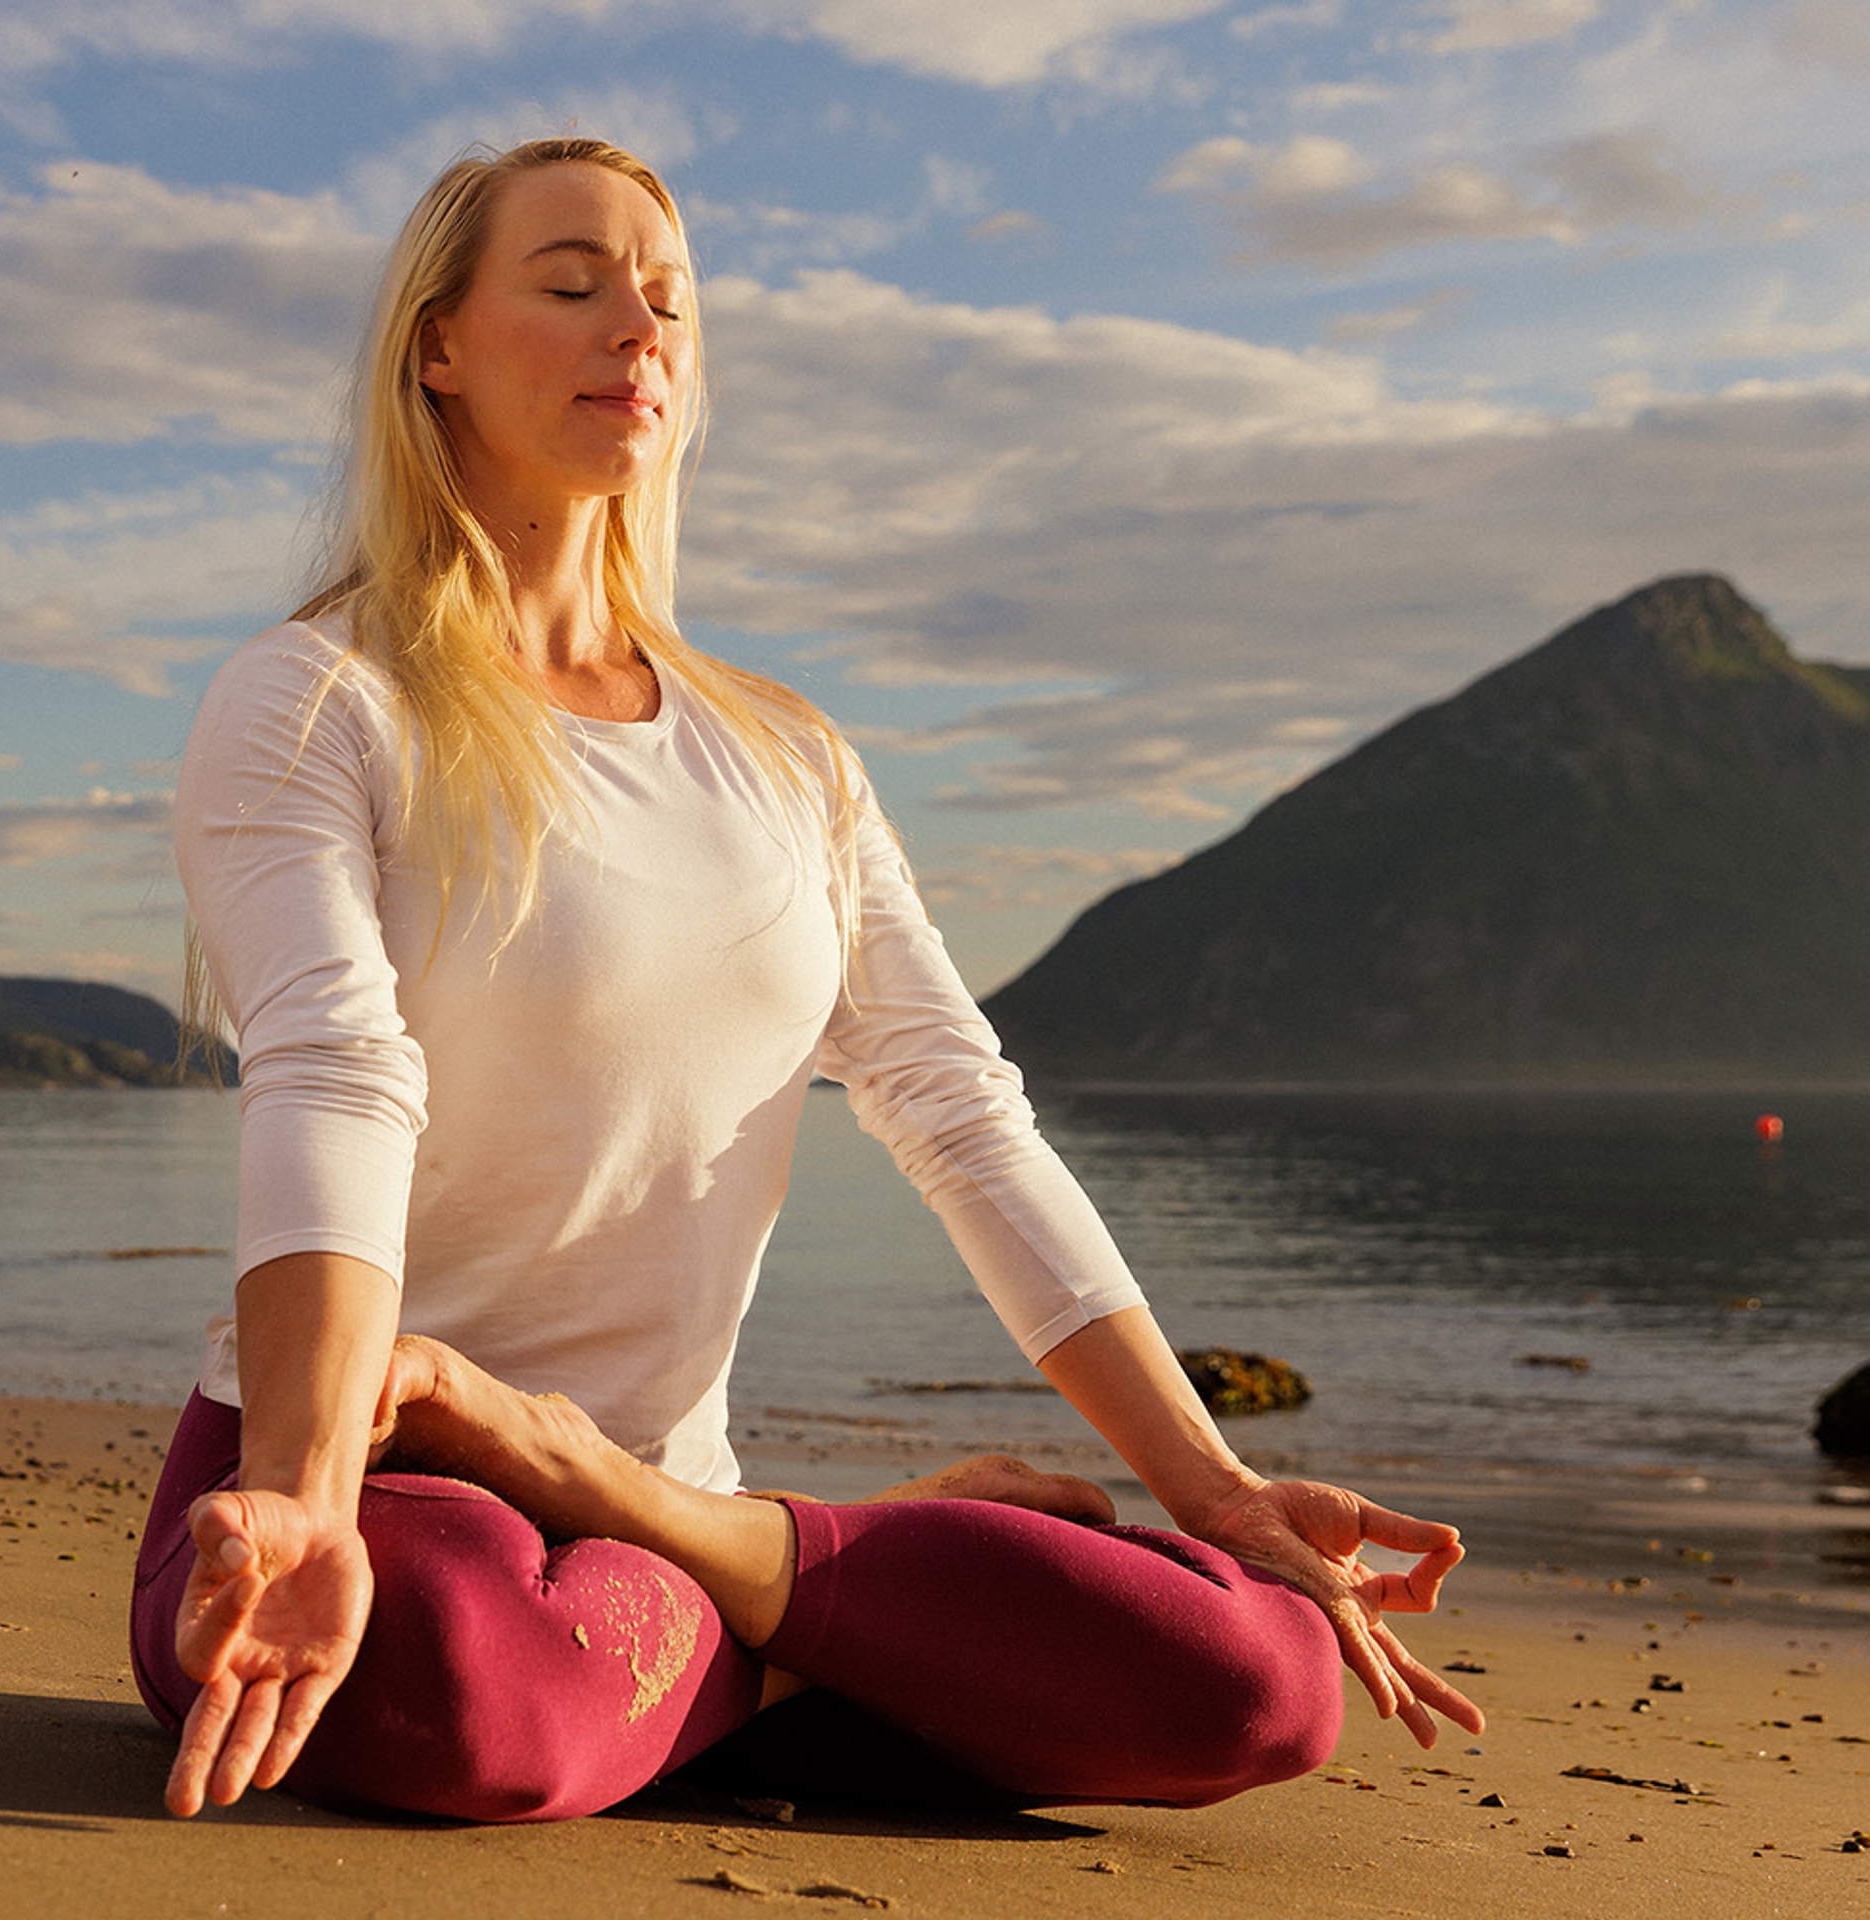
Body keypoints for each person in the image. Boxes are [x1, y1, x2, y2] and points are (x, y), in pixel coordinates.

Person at [138, 135, 1483, 1825]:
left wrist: (1213, 1492)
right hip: (374, 1483)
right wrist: (305, 1491)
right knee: (446, 1688)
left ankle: (705, 1552)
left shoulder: (788, 760)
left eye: (670, 298)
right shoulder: (320, 702)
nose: (637, 321)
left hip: (654, 1511)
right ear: (438, 346)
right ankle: (816, 1607)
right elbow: (336, 1073)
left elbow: (960, 1119)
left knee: (1263, 1681)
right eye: (571, 284)